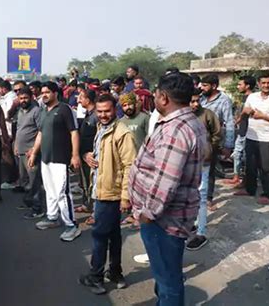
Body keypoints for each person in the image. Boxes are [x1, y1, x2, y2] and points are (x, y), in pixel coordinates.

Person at [129, 73, 206, 306]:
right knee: (165, 276)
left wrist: (147, 213)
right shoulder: (188, 121)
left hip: (164, 220)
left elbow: (166, 181)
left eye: (155, 95)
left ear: (163, 97)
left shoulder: (175, 130)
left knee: (168, 280)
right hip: (170, 215)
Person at [78, 94, 136, 295]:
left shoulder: (122, 133)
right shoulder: (101, 129)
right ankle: (115, 273)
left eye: (107, 111)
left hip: (111, 193)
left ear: (115, 110)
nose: (103, 115)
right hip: (102, 189)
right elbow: (100, 155)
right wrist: (87, 156)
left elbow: (131, 165)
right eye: (99, 111)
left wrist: (126, 196)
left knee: (99, 236)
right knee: (113, 235)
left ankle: (96, 277)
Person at [28, 81, 82, 242]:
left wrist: (75, 155)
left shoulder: (64, 110)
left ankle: (72, 225)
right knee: (50, 191)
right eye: (42, 92)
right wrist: (34, 153)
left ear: (55, 93)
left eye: (47, 92)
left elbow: (74, 132)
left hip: (60, 158)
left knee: (62, 193)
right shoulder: (43, 111)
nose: (44, 95)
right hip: (46, 158)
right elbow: (40, 134)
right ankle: (52, 218)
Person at [234, 72, 269, 205]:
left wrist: (263, 116)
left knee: (266, 168)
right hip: (251, 136)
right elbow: (245, 110)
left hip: (267, 138)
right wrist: (240, 118)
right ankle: (250, 189)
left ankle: (267, 194)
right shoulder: (252, 96)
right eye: (263, 83)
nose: (266, 85)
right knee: (250, 165)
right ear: (258, 84)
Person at [187, 89, 221, 251]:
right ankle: (192, 224)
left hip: (203, 162)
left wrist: (208, 149)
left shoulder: (207, 114)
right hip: (186, 162)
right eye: (191, 101)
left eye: (197, 101)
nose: (195, 104)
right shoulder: (182, 116)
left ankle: (201, 233)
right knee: (188, 195)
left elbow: (217, 133)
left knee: (201, 197)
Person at [200, 74, 234, 210]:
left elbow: (229, 122)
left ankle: (208, 198)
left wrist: (228, 145)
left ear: (214, 86)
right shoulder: (200, 99)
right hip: (196, 140)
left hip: (212, 141)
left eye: (205, 85)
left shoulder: (224, 100)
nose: (202, 88)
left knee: (209, 171)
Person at [14, 87, 45, 219]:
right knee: (25, 180)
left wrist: (34, 150)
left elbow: (41, 131)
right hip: (20, 151)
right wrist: (15, 145)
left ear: (31, 97)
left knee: (35, 181)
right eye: (21, 98)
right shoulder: (20, 111)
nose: (23, 100)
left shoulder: (37, 111)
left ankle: (38, 209)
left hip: (31, 152)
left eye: (26, 98)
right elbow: (19, 129)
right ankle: (29, 202)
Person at [223, 75, 256, 187]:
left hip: (248, 131)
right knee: (237, 155)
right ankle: (237, 177)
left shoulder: (252, 98)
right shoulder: (243, 98)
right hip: (242, 130)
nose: (238, 87)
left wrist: (237, 120)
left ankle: (245, 181)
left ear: (247, 86)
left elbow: (247, 114)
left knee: (245, 156)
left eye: (240, 84)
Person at [76, 89, 98, 223]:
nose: (78, 100)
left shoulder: (95, 116)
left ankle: (96, 212)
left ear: (88, 100)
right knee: (86, 183)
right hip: (84, 155)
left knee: (93, 184)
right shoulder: (88, 115)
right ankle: (87, 205)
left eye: (80, 98)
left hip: (92, 157)